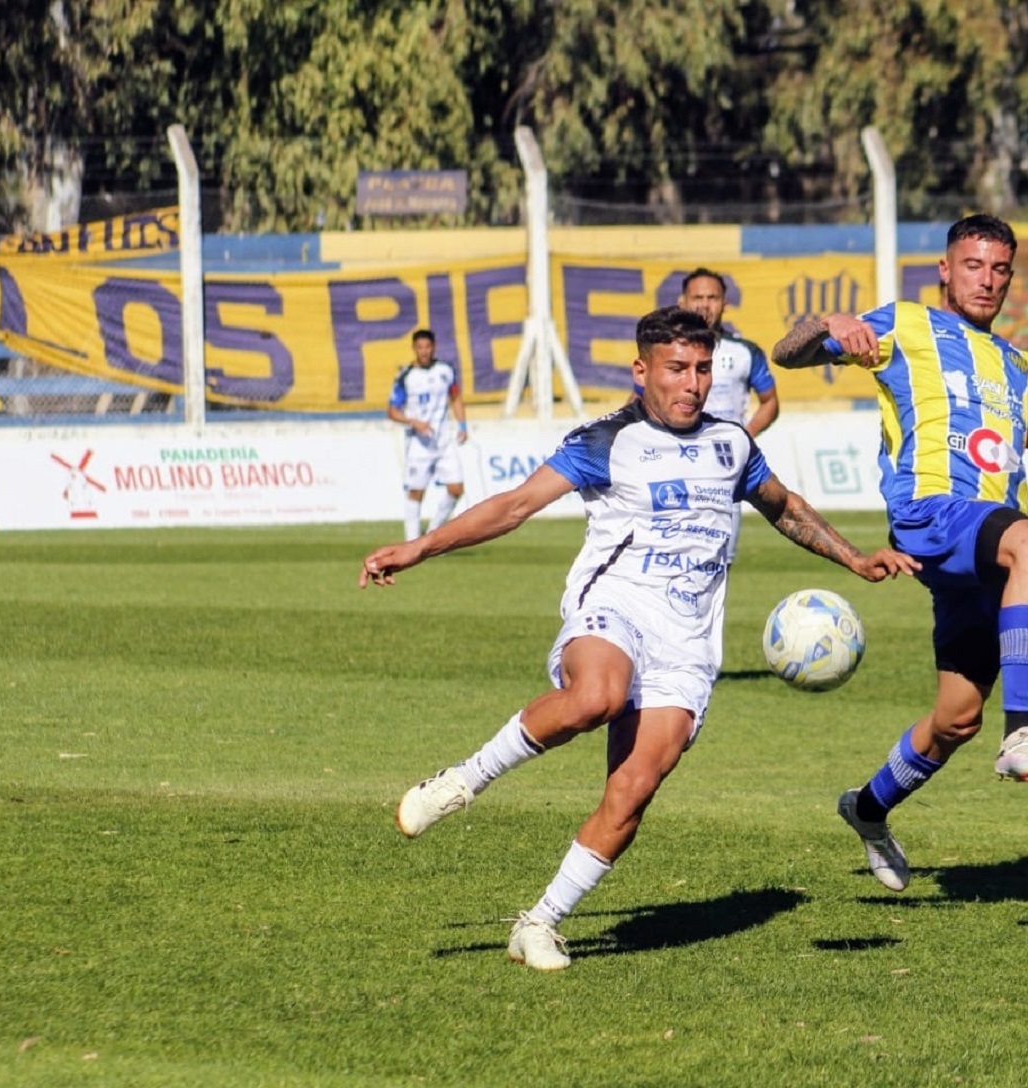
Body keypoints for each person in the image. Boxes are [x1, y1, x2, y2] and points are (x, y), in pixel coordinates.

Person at [361, 307, 915, 970]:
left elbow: (784, 506)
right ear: (641, 370)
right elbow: (513, 506)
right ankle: (463, 781)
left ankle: (539, 923)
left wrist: (856, 560)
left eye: (703, 368)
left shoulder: (731, 444)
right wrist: (420, 548)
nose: (693, 384)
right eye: (677, 368)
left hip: (687, 645)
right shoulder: (606, 440)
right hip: (613, 608)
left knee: (631, 793)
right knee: (597, 695)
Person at [772, 213, 1028, 892]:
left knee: (954, 720)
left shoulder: (1023, 365)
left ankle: (867, 809)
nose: (988, 280)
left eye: (1000, 269)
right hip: (931, 515)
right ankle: (1023, 732)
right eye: (973, 266)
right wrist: (831, 323)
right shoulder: (905, 324)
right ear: (945, 271)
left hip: (981, 551)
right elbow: (788, 352)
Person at [679, 267, 780, 567]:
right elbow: (639, 398)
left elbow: (770, 402)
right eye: (697, 297)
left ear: (725, 303)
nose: (704, 304)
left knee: (719, 565)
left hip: (724, 470)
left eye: (712, 297)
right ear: (682, 301)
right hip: (677, 464)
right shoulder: (666, 352)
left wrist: (743, 438)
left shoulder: (744, 352)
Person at [386, 329, 468, 541]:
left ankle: (433, 534)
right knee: (416, 493)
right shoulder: (406, 377)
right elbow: (392, 411)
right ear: (414, 349)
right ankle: (411, 543)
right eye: (420, 347)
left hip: (443, 442)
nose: (424, 351)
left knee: (457, 489)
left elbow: (456, 398)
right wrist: (413, 421)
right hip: (418, 444)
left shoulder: (445, 371)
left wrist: (463, 425)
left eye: (427, 347)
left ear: (434, 347)